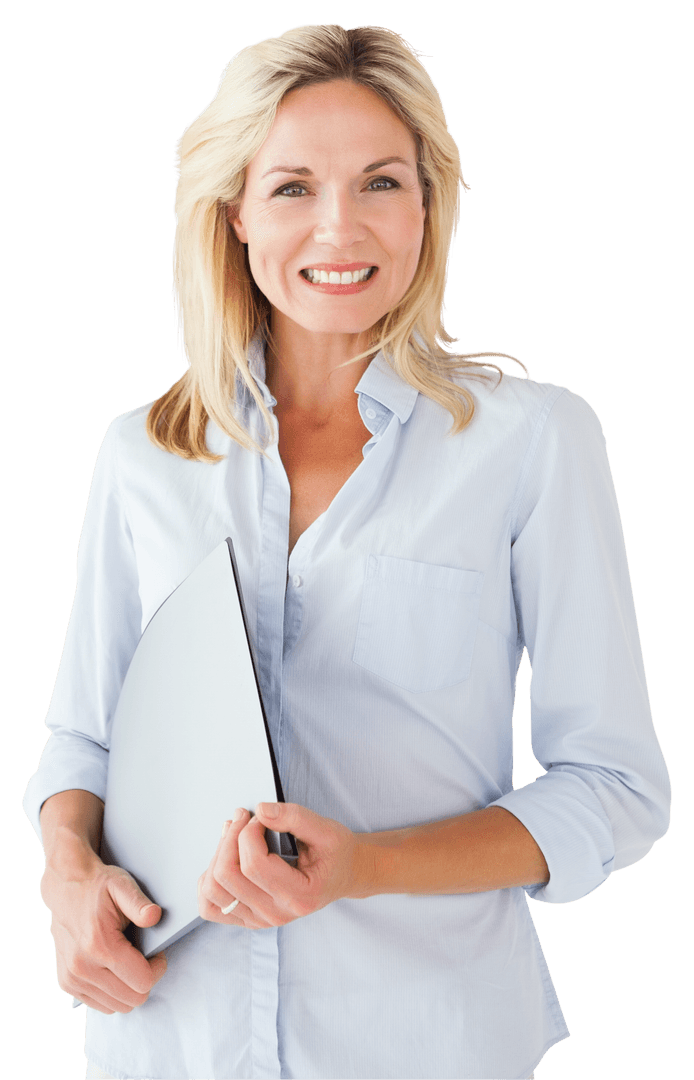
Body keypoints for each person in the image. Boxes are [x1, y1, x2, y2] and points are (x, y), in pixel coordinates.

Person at [23, 22, 671, 1080]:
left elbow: (614, 785)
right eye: (290, 188)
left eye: (381, 182)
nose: (341, 226)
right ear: (233, 212)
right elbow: (82, 744)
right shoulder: (143, 453)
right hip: (170, 1042)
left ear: (428, 204)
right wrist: (67, 884)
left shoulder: (532, 442)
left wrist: (363, 867)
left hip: (425, 1042)